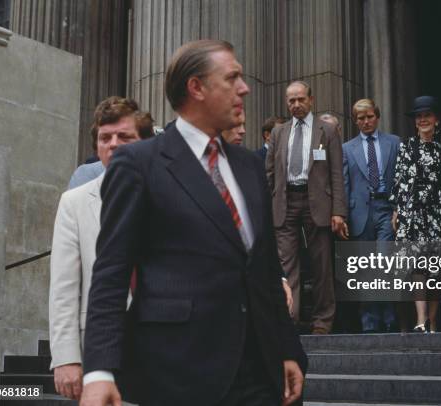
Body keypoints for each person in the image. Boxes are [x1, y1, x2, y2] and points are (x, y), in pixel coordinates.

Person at [80, 40, 305, 405]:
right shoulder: (139, 164)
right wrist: (100, 370)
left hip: (260, 375)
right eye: (232, 78)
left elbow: (264, 269)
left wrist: (287, 348)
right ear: (196, 87)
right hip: (177, 375)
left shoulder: (249, 167)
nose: (244, 88)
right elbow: (111, 272)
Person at [49, 97, 154, 401]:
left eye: (125, 137)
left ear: (144, 143)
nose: (114, 144)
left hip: (167, 345)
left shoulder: (168, 194)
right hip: (101, 349)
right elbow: (64, 286)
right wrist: (66, 356)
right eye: (105, 138)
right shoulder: (75, 202)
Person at [266, 80, 347, 334]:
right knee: (286, 266)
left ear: (311, 100)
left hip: (318, 204)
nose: (296, 104)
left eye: (301, 99)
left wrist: (338, 211)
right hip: (286, 202)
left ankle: (323, 321)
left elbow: (336, 174)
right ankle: (288, 319)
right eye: (291, 100)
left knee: (321, 265)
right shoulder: (279, 133)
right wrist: (266, 207)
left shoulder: (327, 130)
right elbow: (269, 173)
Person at [390, 96, 441, 333]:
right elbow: (400, 180)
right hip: (413, 215)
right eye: (418, 116)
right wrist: (396, 210)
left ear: (436, 119)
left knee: (437, 269)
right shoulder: (406, 146)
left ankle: (433, 322)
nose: (423, 120)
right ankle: (421, 319)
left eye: (427, 115)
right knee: (417, 268)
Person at [342, 99, 400, 333]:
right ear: (355, 121)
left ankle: (389, 318)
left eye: (369, 117)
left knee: (385, 263)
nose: (366, 121)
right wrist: (342, 215)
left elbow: (401, 178)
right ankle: (369, 323)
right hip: (359, 213)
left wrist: (400, 209)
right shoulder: (347, 148)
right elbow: (345, 183)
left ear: (377, 116)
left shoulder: (394, 142)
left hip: (387, 209)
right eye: (360, 118)